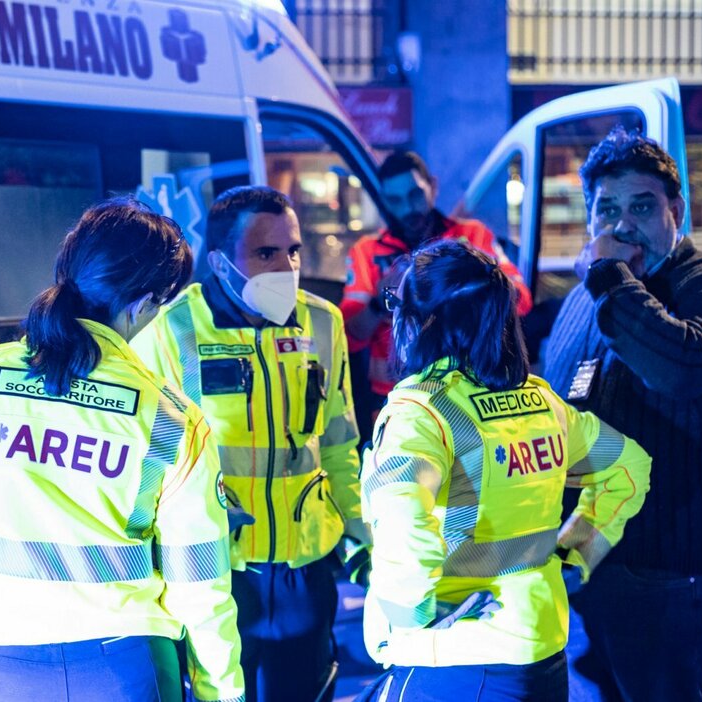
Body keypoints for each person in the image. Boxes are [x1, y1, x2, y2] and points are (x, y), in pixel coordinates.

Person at [0, 198, 246, 702]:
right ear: (144, 303)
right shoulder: (172, 418)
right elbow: (200, 587)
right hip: (126, 672)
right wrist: (222, 692)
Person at [360, 239, 651, 701]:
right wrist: (579, 552)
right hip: (540, 647)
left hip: (453, 656)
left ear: (422, 321)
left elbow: (403, 524)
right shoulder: (541, 401)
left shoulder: (421, 411)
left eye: (399, 304)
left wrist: (409, 620)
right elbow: (628, 466)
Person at [542, 127, 702, 702]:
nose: (620, 226)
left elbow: (677, 367)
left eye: (641, 206)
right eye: (606, 209)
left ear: (676, 210)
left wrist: (612, 280)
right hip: (586, 562)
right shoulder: (586, 297)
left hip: (668, 573)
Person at [132, 185, 362, 702]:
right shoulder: (168, 333)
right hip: (219, 573)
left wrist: (364, 535)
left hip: (306, 566)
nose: (287, 266)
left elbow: (341, 442)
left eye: (293, 250)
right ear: (219, 261)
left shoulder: (323, 322)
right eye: (265, 253)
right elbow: (145, 466)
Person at [341, 151, 533, 444]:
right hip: (397, 396)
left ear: (433, 186)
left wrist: (467, 283)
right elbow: (349, 334)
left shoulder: (471, 238)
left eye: (415, 194)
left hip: (474, 387)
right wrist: (383, 300)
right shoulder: (367, 252)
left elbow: (520, 300)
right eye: (395, 200)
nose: (407, 208)